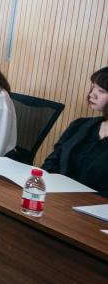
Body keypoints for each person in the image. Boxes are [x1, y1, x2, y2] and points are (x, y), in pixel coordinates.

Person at [41, 66, 108, 194]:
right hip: (57, 194)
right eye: (93, 87)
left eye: (101, 91)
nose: (92, 94)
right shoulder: (79, 125)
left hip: (93, 202)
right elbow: (52, 162)